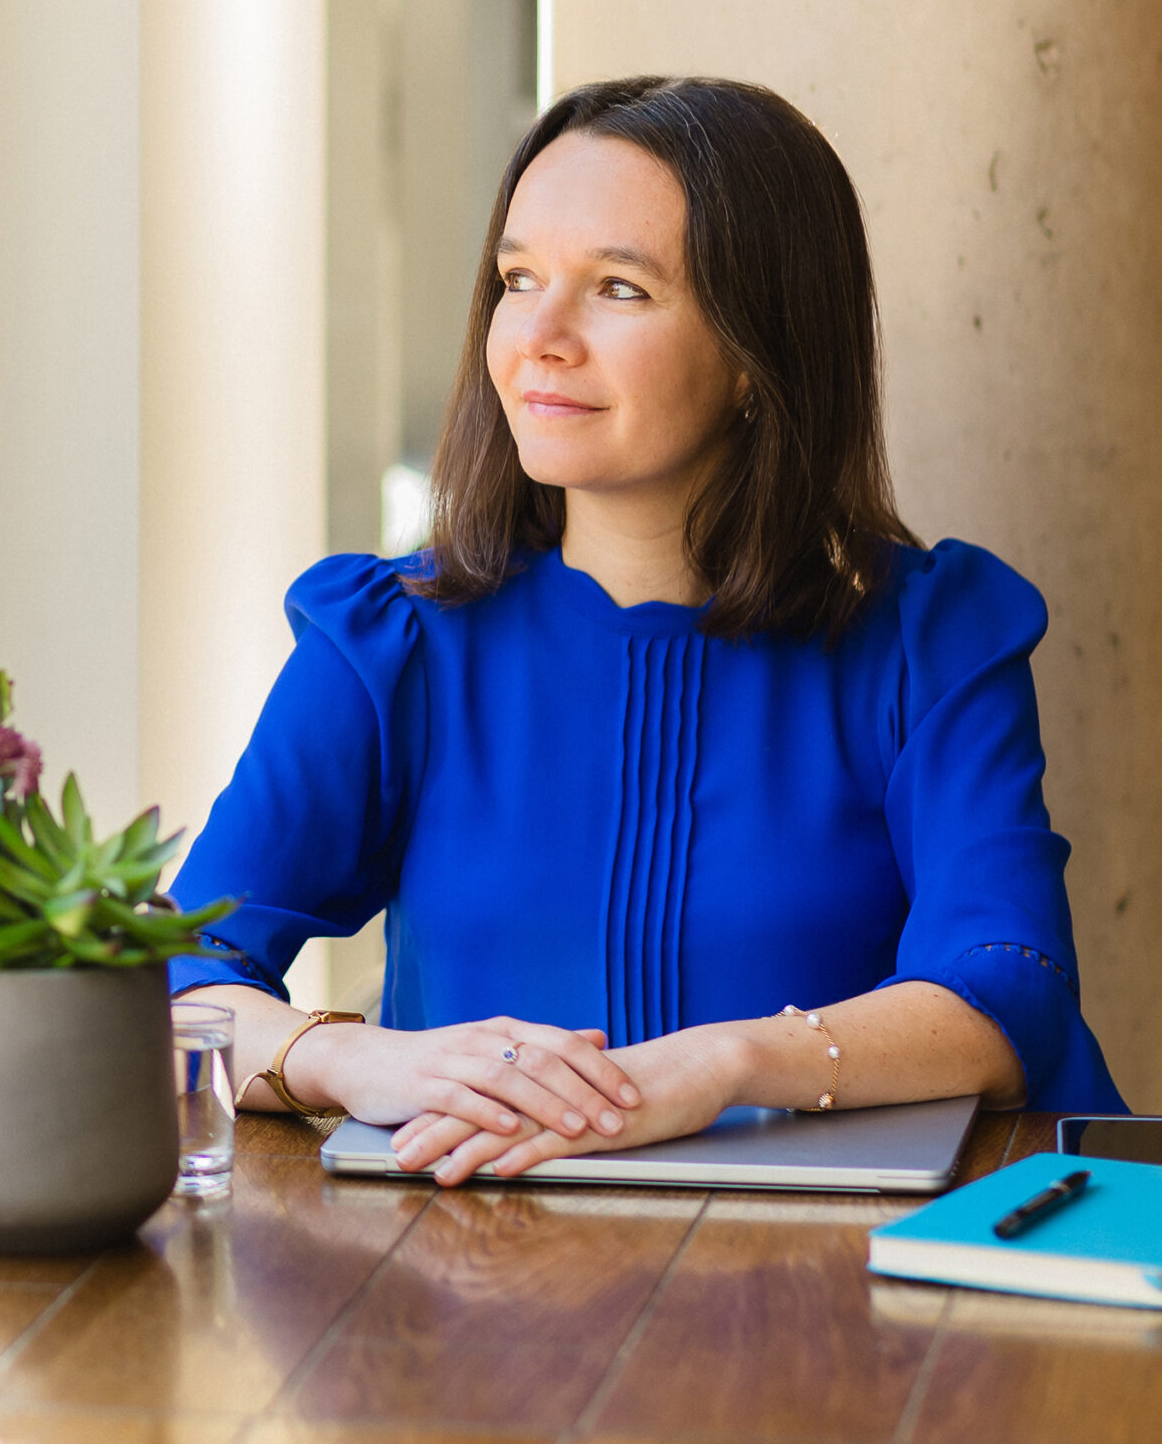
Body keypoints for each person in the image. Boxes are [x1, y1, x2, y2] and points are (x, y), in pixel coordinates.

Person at [169, 76, 1128, 1184]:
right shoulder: (390, 643)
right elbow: (181, 976)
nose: (537, 335)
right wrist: (358, 1059)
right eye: (516, 278)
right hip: (464, 1292)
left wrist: (721, 1063)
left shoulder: (931, 641)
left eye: (618, 288)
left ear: (754, 354)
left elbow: (1006, 985)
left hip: (836, 1294)